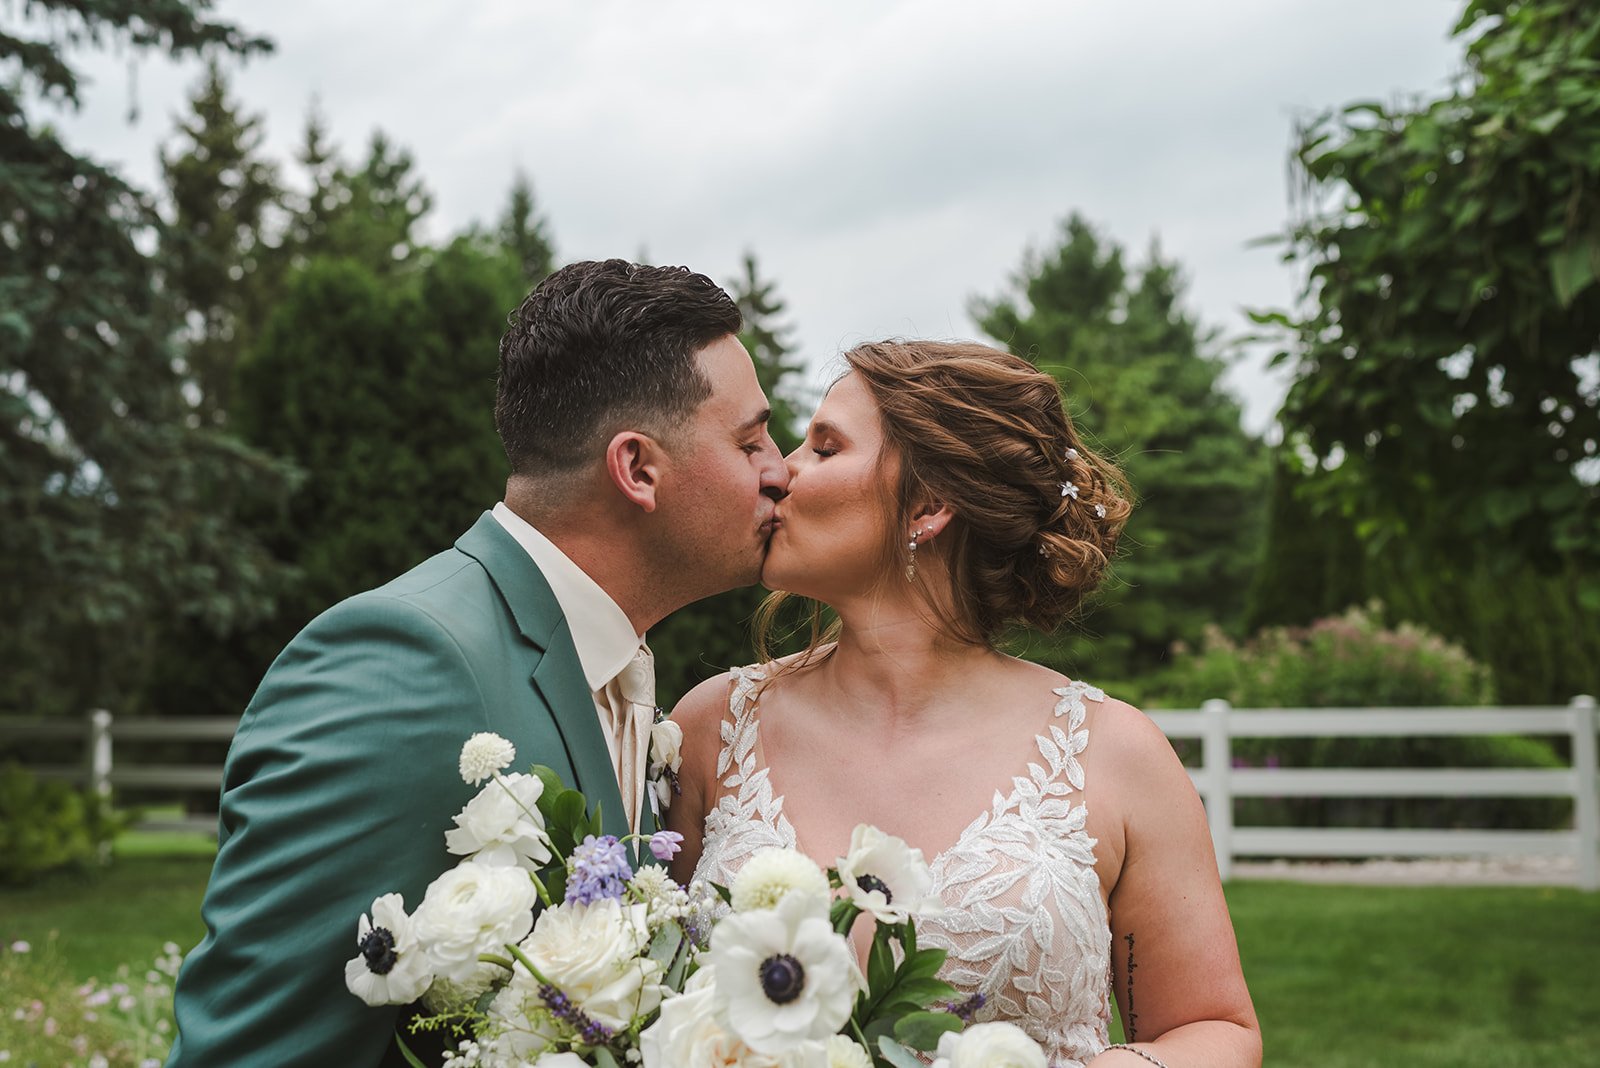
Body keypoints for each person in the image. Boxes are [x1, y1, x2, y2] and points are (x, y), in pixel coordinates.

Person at [167, 260, 790, 1067]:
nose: (780, 468)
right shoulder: (400, 665)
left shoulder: (618, 665)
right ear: (638, 469)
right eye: (751, 440)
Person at [667, 340, 1261, 1068]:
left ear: (927, 506)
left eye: (824, 447)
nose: (781, 471)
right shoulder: (710, 727)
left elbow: (1216, 1029)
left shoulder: (1115, 754)